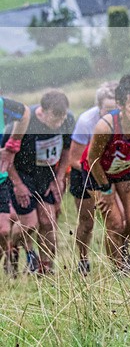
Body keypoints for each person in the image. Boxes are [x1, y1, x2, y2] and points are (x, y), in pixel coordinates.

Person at [82, 74, 130, 272]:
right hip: (98, 174)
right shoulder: (106, 126)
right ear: (120, 105)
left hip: (127, 171)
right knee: (115, 223)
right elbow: (93, 160)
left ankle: (122, 248)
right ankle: (119, 269)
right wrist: (106, 189)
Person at [6, 90, 74, 274]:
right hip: (22, 175)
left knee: (48, 221)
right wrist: (18, 184)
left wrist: (59, 177)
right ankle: (11, 247)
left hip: (47, 175)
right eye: (54, 119)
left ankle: (45, 267)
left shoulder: (67, 120)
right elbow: (6, 157)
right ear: (41, 112)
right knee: (29, 225)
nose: (59, 124)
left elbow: (67, 150)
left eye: (62, 118)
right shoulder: (24, 123)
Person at [68, 81, 118, 276]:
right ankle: (83, 260)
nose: (110, 114)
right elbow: (73, 159)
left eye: (115, 109)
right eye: (107, 109)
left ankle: (120, 259)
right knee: (87, 222)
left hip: (110, 172)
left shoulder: (124, 121)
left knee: (116, 219)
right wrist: (98, 178)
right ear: (99, 107)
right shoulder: (86, 121)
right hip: (84, 171)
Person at [0, 96, 30, 276]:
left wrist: (12, 146)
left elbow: (24, 113)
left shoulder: (3, 105)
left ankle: (8, 261)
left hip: (0, 179)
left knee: (3, 231)